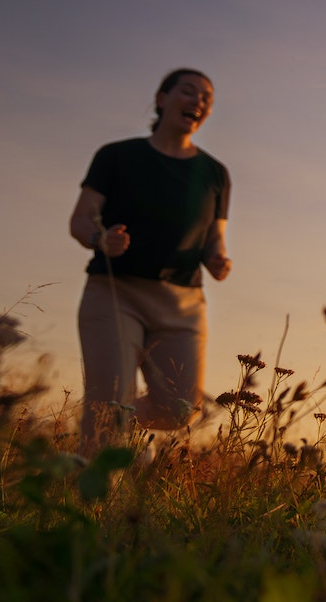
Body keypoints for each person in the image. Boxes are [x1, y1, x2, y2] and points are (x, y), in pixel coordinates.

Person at [68, 68, 232, 453]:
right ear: (161, 99)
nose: (198, 102)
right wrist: (99, 239)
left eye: (206, 98)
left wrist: (217, 260)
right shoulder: (117, 156)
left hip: (183, 303)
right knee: (110, 406)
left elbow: (215, 239)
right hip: (115, 292)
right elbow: (80, 218)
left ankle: (102, 427)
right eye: (188, 92)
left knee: (180, 410)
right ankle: (95, 488)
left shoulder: (214, 174)